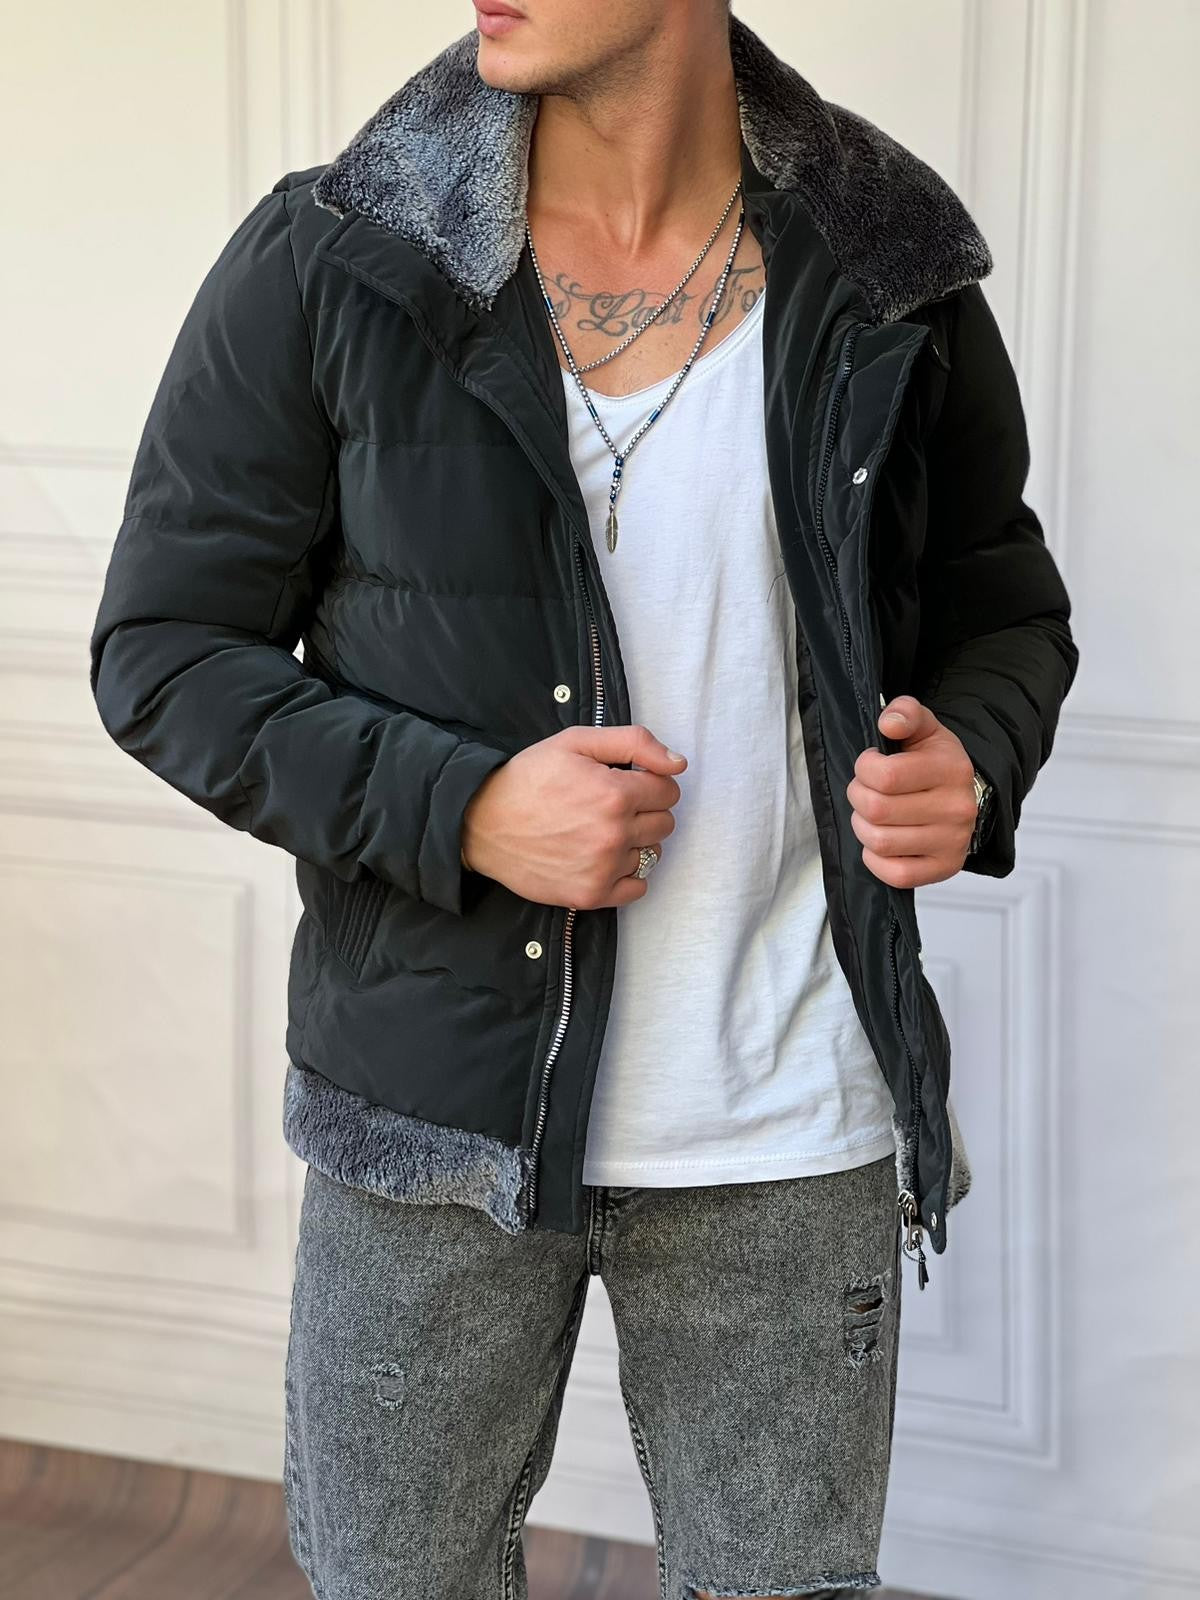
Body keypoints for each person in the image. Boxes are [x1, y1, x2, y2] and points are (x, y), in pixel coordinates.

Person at [89, 2, 1079, 1595]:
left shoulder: (888, 264)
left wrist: (974, 753)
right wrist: (464, 807)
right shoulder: (337, 256)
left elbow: (1005, 611)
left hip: (792, 1124)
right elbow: (163, 653)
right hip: (431, 1123)